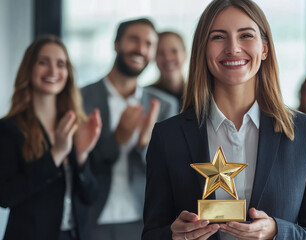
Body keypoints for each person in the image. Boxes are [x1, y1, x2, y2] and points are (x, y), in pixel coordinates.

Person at [142, 0, 306, 239]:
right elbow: (151, 233)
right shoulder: (168, 136)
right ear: (202, 49)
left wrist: (277, 231)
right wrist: (174, 235)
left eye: (245, 35)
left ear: (264, 49)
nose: (233, 48)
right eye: (218, 37)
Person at [80, 18, 178, 240]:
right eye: (133, 39)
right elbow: (77, 166)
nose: (140, 49)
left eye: (149, 44)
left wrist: (145, 145)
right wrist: (117, 139)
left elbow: (170, 173)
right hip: (92, 217)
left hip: (144, 220)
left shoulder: (165, 106)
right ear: (116, 44)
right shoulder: (81, 99)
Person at [0, 35, 101, 240]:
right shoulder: (8, 129)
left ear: (68, 73)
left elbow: (91, 196)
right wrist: (55, 154)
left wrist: (81, 156)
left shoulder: (76, 125)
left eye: (61, 64)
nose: (53, 71)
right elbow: (6, 196)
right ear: (29, 69)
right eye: (43, 62)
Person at [152, 31, 187, 109]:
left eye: (174, 51)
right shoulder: (146, 96)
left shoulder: (199, 94)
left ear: (185, 55)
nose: (167, 58)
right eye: (160, 52)